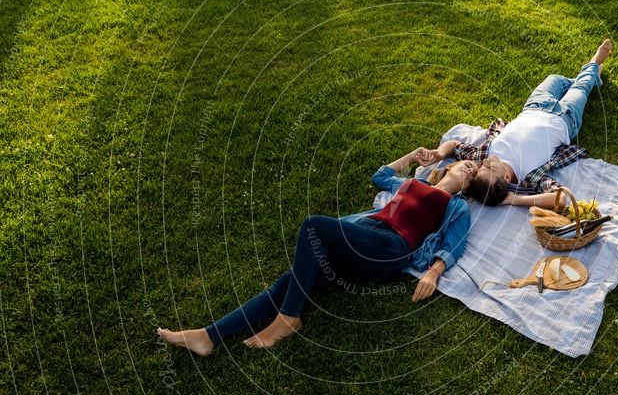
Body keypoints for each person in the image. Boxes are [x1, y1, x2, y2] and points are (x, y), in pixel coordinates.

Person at [157, 150, 479, 354]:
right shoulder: (412, 183)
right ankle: (208, 336)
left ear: (466, 187)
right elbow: (379, 176)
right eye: (466, 165)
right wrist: (411, 157)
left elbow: (455, 242)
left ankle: (289, 318)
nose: (469, 171)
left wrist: (434, 272)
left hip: (392, 249)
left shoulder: (456, 206)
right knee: (290, 281)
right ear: (448, 166)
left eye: (473, 175)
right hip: (364, 236)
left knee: (314, 226)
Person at [420, 39, 612, 209]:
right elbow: (560, 198)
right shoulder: (529, 177)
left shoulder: (483, 156)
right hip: (565, 118)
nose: (485, 163)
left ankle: (590, 76)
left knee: (555, 79)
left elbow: (454, 145)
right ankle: (594, 64)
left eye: (482, 168)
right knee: (581, 87)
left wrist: (438, 154)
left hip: (535, 106)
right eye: (489, 168)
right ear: (505, 178)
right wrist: (513, 199)